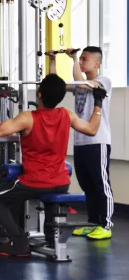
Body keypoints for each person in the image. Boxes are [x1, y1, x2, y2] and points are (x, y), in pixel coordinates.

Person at [0, 74, 106, 256]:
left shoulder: (27, 118)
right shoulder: (67, 114)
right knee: (49, 194)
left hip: (34, 182)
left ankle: (19, 242)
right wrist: (98, 102)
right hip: (61, 182)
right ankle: (50, 238)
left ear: (39, 94)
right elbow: (92, 129)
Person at [47, 46, 113, 240]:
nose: (82, 62)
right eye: (81, 59)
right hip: (81, 142)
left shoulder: (103, 82)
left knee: (101, 185)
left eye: (85, 59)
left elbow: (81, 83)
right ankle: (93, 223)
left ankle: (106, 225)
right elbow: (57, 85)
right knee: (88, 185)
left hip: (97, 141)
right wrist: (52, 61)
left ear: (97, 63)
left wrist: (73, 58)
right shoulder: (82, 84)